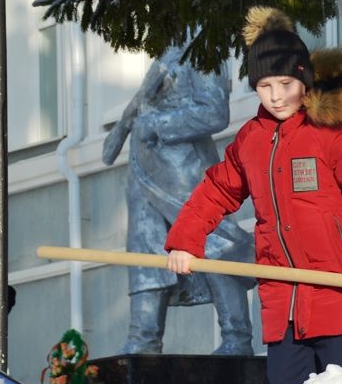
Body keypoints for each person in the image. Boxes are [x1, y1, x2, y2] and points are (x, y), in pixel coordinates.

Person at [165, 6, 342, 384]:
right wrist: (185, 240)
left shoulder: (335, 133)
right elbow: (217, 190)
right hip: (283, 309)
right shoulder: (252, 139)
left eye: (285, 84)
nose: (276, 97)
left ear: (303, 79)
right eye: (265, 86)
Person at [102, 46, 256, 356]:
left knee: (214, 243)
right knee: (145, 247)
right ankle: (143, 338)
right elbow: (145, 102)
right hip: (145, 165)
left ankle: (237, 337)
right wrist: (126, 126)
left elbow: (215, 112)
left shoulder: (202, 47)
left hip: (185, 168)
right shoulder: (168, 46)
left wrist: (156, 125)